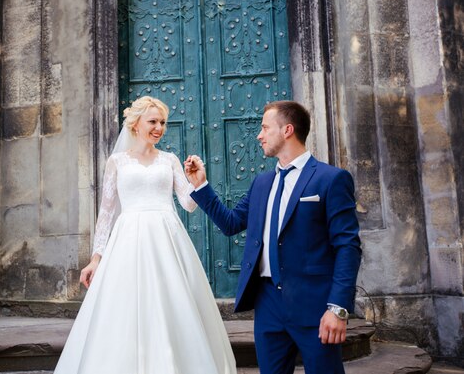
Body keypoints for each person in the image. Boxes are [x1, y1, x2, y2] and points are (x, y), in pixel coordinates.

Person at [54, 96, 237, 374]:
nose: (159, 127)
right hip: (128, 240)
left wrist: (196, 179)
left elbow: (187, 204)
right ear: (135, 124)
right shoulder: (116, 162)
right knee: (125, 305)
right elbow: (106, 213)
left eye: (162, 122)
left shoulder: (170, 160)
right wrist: (95, 259)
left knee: (170, 302)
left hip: (166, 238)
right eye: (153, 121)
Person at [184, 101, 362, 374]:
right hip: (267, 305)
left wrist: (338, 307)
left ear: (288, 130)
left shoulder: (331, 179)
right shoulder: (262, 183)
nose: (260, 134)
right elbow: (231, 223)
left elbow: (347, 246)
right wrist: (201, 186)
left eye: (265, 127)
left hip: (314, 304)